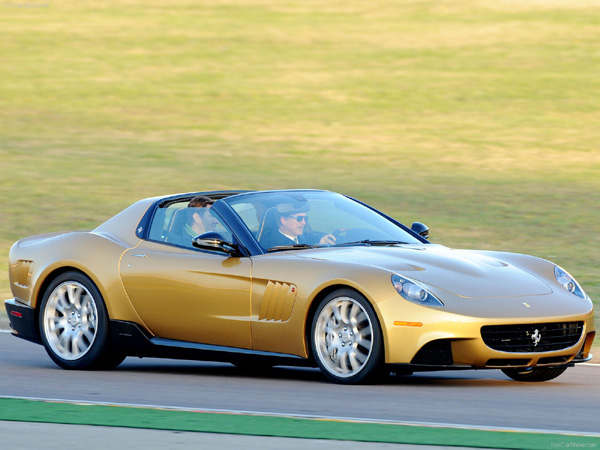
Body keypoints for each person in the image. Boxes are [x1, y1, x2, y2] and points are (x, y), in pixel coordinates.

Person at [259, 202, 336, 249]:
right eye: (299, 218)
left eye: (305, 218)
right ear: (284, 220)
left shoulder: (305, 238)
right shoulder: (269, 244)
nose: (304, 223)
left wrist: (321, 244)